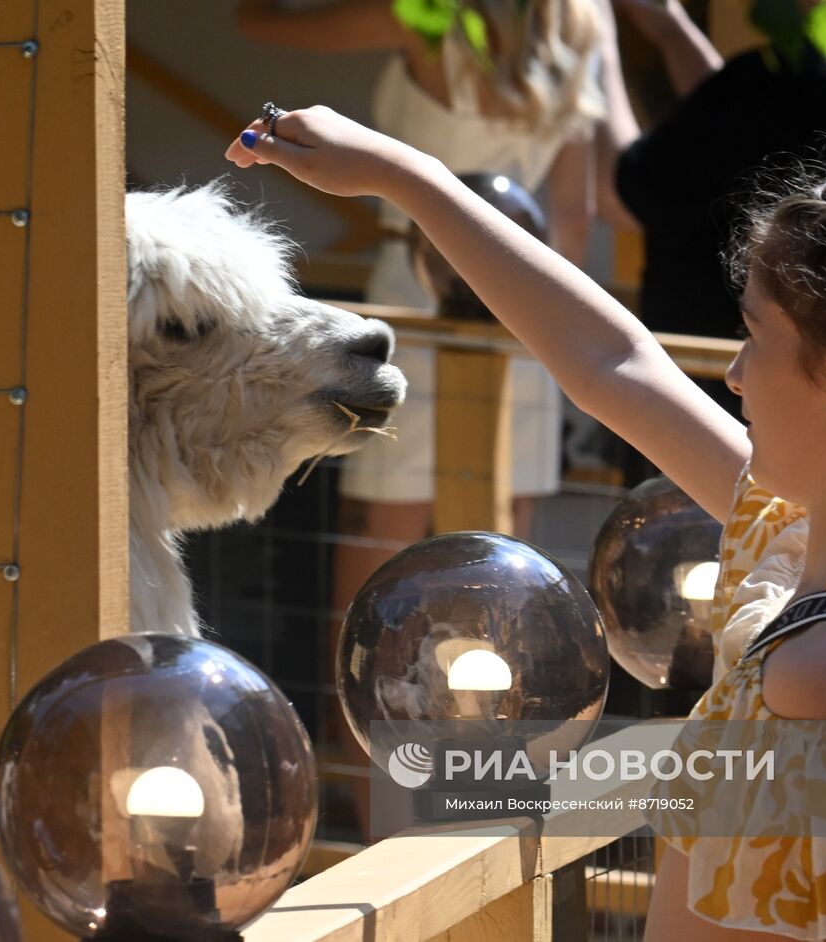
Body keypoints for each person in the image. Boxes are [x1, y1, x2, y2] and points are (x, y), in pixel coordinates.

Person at [224, 105, 826, 939]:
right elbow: (612, 363)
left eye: (755, 338)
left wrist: (408, 179)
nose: (731, 373)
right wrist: (407, 176)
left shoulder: (821, 678)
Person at [236, 0, 605, 837]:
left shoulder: (421, 22)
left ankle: (383, 833)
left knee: (379, 591)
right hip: (522, 308)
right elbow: (577, 221)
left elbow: (259, 21)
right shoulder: (578, 34)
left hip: (420, 309)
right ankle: (490, 828)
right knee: (505, 589)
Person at [594, 0, 826, 398]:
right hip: (818, 374)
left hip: (719, 388)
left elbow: (620, 195)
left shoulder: (789, 77)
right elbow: (729, 120)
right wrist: (671, 30)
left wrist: (596, 44)